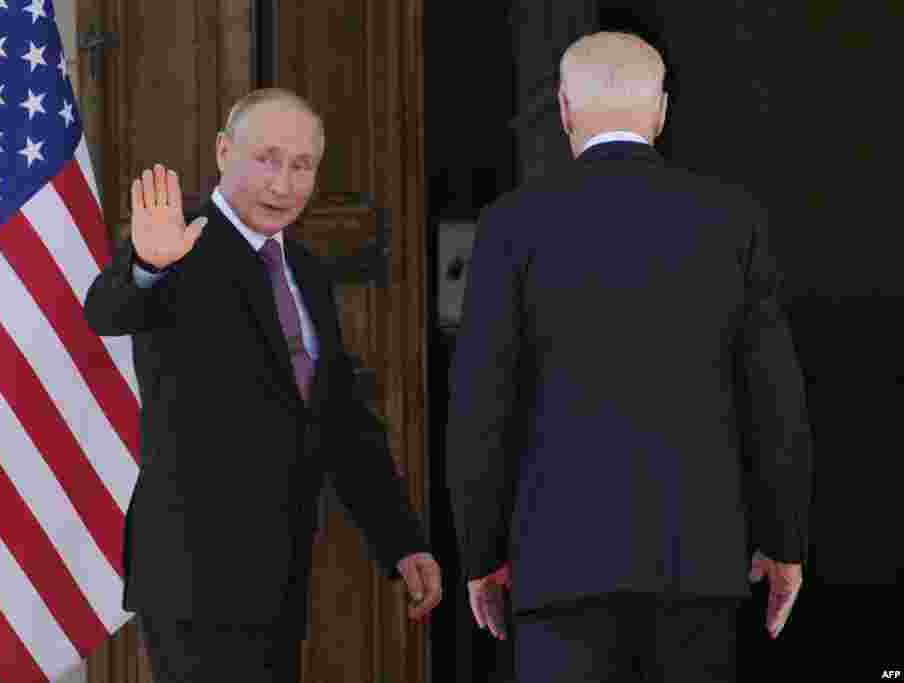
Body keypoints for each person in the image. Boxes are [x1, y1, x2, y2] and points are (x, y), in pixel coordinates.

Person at [446, 32, 812, 682]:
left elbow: (481, 405)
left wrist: (482, 553)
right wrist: (784, 543)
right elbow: (775, 400)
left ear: (562, 109)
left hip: (560, 573)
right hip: (697, 572)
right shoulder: (733, 219)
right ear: (662, 110)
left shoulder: (512, 223)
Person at [84, 88, 442, 682]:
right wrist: (148, 266)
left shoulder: (304, 270)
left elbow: (341, 423)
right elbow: (108, 311)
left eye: (301, 166)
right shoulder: (180, 242)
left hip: (280, 580)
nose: (283, 184)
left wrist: (401, 539)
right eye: (267, 159)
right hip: (195, 580)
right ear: (224, 152)